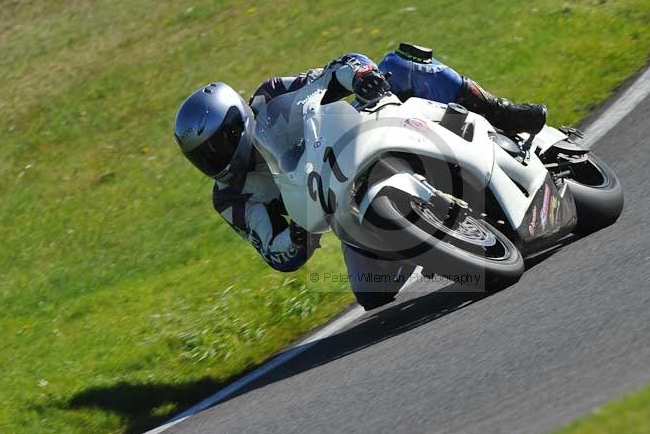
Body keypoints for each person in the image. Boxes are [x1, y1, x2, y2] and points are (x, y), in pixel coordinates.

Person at [173, 44, 547, 310]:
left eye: (217, 145)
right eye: (201, 157)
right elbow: (276, 252)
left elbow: (335, 69)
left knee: (400, 64)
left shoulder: (272, 95)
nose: (213, 161)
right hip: (341, 206)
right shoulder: (230, 198)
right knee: (373, 293)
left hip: (358, 136)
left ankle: (502, 112)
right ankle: (438, 233)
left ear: (237, 124)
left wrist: (362, 76)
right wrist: (299, 235)